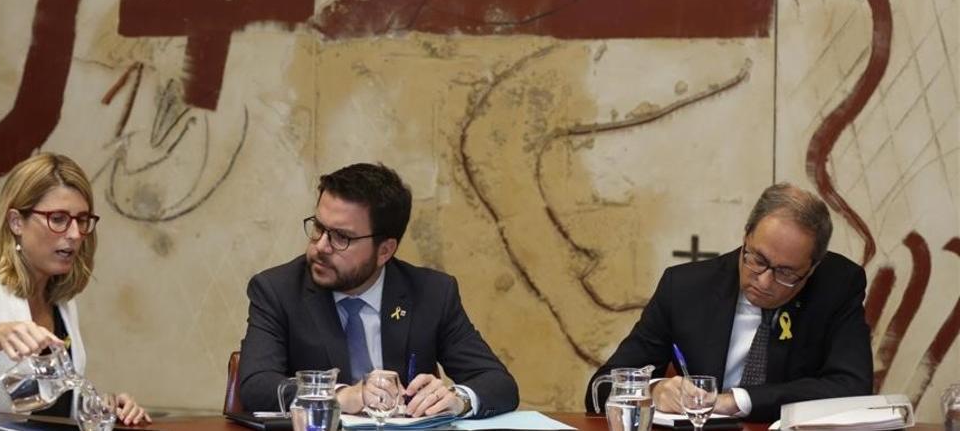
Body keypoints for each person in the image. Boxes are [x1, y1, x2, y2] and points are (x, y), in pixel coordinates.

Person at [237, 163, 519, 419]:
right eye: (319, 228)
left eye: (341, 237)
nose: (321, 246)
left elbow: (497, 383)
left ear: (385, 250)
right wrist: (342, 396)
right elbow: (256, 385)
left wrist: (457, 400)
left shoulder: (432, 293)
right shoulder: (277, 290)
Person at [585, 183, 873, 422]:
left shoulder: (837, 286)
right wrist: (654, 390)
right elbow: (600, 389)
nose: (763, 281)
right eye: (757, 259)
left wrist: (736, 401)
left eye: (786, 273)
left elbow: (852, 388)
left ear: (811, 268)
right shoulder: (685, 288)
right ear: (746, 235)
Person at [0, 153, 150, 430]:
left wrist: (103, 407)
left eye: (82, 219)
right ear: (16, 222)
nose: (75, 234)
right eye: (59, 219)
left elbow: (45, 406)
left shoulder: (61, 299)